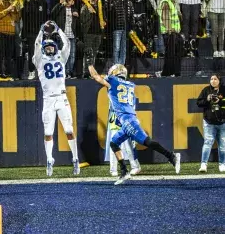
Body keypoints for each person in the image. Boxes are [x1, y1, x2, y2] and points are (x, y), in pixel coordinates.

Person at [88, 61, 181, 185]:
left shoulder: (113, 81)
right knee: (114, 143)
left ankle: (171, 156)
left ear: (115, 72)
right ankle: (124, 171)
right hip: (128, 118)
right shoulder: (130, 85)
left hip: (127, 120)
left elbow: (96, 77)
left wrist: (89, 64)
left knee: (147, 141)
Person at [32, 20, 80, 176]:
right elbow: (37, 44)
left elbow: (68, 44)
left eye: (52, 46)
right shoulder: (39, 60)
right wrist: (41, 30)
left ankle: (75, 158)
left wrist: (58, 30)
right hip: (48, 100)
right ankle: (49, 159)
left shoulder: (61, 57)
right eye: (47, 47)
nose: (50, 49)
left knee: (69, 130)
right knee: (48, 132)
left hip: (62, 98)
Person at [197, 73, 225, 172]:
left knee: (222, 145)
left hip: (222, 122)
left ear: (219, 80)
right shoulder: (206, 90)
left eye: (215, 79)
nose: (213, 81)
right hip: (209, 122)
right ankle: (203, 164)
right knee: (207, 143)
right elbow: (199, 103)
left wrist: (220, 101)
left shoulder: (223, 90)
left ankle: (222, 164)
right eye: (211, 79)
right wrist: (207, 99)